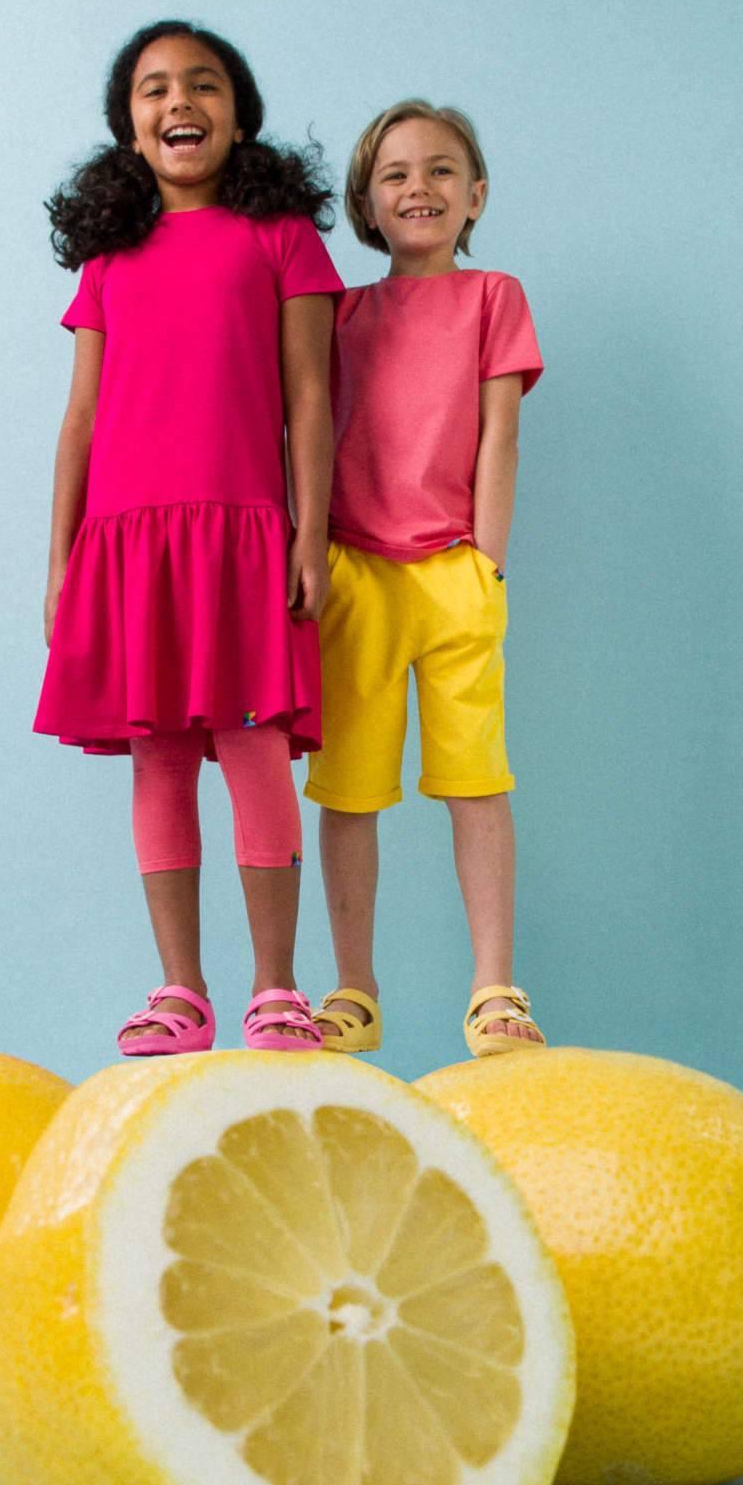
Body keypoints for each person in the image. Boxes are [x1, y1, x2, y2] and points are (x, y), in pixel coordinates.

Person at [35, 19, 343, 1054]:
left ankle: (275, 988)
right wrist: (60, 558)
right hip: (126, 544)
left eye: (202, 85)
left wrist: (309, 533)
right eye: (155, 89)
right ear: (128, 127)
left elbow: (309, 393)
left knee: (251, 746)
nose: (180, 103)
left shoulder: (282, 239)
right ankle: (180, 990)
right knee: (158, 760)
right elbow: (78, 418)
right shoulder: (109, 263)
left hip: (243, 533)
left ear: (238, 113)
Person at [304, 101, 548, 1058]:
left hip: (454, 571)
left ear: (476, 194)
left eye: (443, 170)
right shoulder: (343, 313)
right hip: (353, 572)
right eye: (397, 173)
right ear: (368, 201)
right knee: (349, 790)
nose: (420, 188)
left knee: (475, 783)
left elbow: (501, 433)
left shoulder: (495, 298)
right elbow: (311, 431)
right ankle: (353, 988)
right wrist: (314, 550)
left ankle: (495, 989)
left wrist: (486, 559)